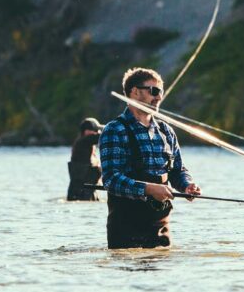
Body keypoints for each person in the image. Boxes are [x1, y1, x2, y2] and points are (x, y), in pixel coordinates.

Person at [98, 67, 201, 248]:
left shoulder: (166, 131)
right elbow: (111, 180)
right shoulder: (114, 130)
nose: (159, 97)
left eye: (160, 92)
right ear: (135, 92)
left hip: (161, 228)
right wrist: (148, 189)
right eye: (153, 91)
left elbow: (178, 170)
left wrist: (187, 185)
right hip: (126, 229)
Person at [67, 117, 103, 201]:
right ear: (87, 131)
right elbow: (103, 136)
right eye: (95, 130)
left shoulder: (82, 142)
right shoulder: (84, 141)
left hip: (83, 189)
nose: (97, 132)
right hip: (82, 191)